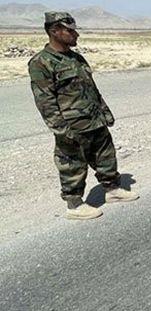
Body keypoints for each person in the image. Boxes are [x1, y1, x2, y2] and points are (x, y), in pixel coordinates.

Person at [28, 12, 139, 220]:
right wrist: (61, 130)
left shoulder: (76, 58)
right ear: (54, 31)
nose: (76, 34)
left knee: (105, 156)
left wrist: (105, 112)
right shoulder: (41, 62)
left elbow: (92, 89)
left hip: (95, 119)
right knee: (72, 164)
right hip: (72, 126)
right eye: (70, 31)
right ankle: (74, 204)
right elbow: (45, 102)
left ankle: (112, 190)